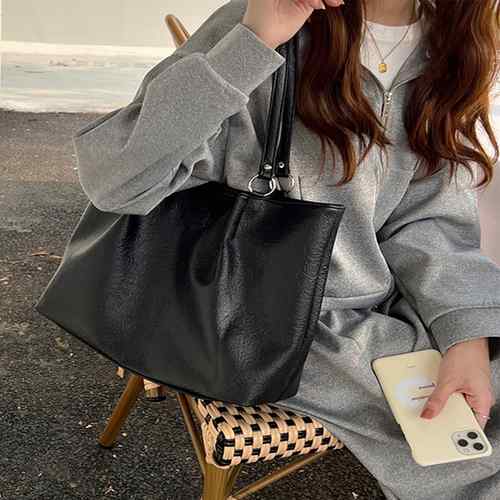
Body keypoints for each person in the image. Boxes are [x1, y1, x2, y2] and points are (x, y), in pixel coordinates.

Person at [72, 0, 500, 498]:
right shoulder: (270, 17)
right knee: (470, 445)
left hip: (376, 303)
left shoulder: (452, 47)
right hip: (255, 316)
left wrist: (467, 336)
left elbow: (429, 222)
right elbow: (114, 180)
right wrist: (255, 41)